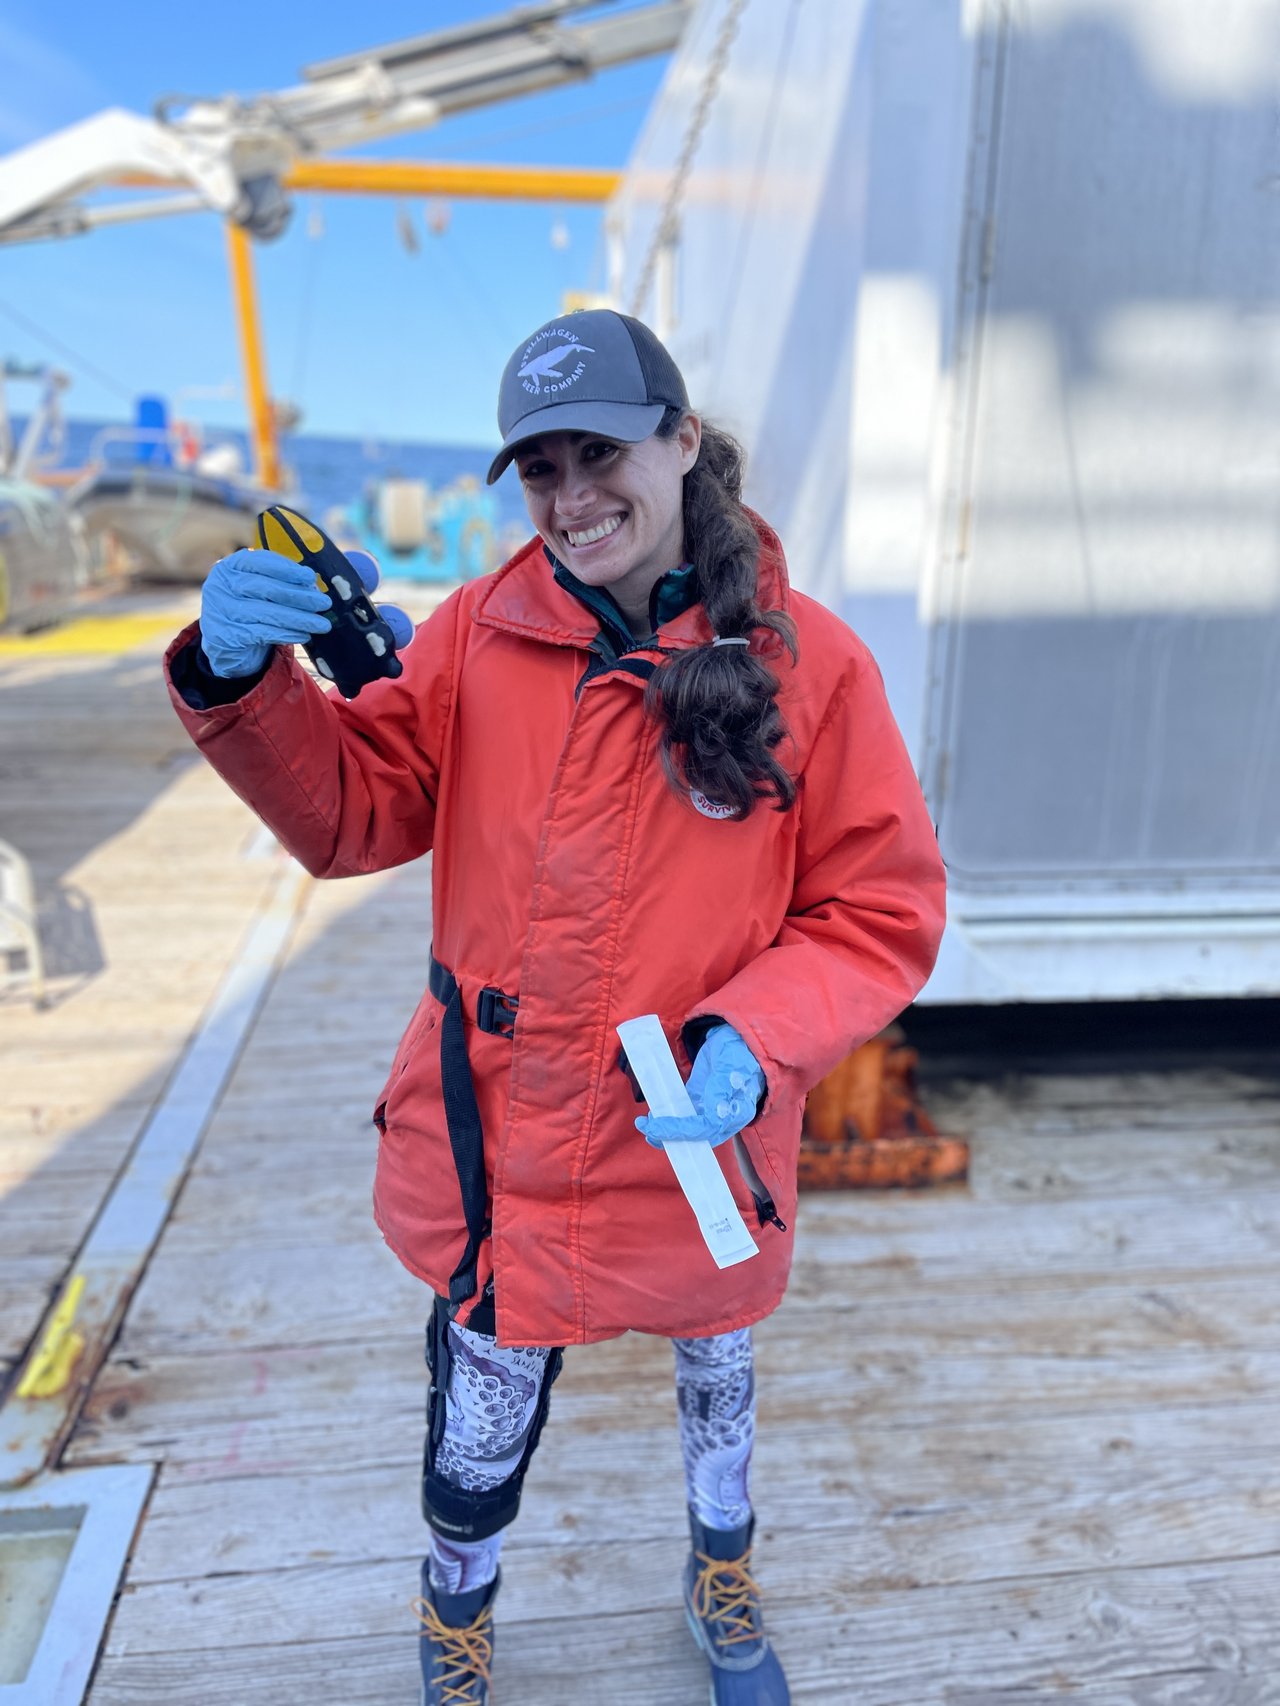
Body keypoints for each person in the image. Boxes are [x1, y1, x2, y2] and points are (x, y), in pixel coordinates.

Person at [165, 309, 947, 1705]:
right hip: (500, 1140)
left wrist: (755, 1038)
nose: (574, 497)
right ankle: (454, 1608)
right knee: (476, 1411)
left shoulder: (814, 665)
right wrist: (241, 683)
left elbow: (878, 908)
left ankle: (724, 1568)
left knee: (720, 1378)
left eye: (604, 453)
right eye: (541, 470)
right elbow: (356, 812)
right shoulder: (469, 634)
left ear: (683, 441)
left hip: (696, 1134)